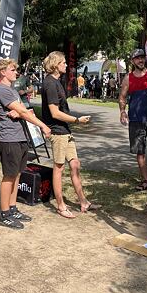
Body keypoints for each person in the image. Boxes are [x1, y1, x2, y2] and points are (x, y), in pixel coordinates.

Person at [0, 58, 51, 229]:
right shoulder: (2, 90)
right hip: (9, 139)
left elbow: (21, 111)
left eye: (16, 70)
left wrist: (19, 112)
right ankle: (4, 214)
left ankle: (12, 208)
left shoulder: (11, 90)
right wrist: (43, 126)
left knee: (17, 174)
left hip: (19, 137)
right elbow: (23, 111)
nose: (16, 73)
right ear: (3, 72)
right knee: (9, 176)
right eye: (12, 70)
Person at [41, 51, 101, 218]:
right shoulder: (50, 84)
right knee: (59, 168)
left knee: (75, 164)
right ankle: (60, 206)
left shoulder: (57, 81)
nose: (66, 65)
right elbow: (55, 113)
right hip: (57, 132)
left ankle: (84, 202)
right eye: (63, 62)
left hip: (65, 131)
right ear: (55, 64)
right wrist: (77, 120)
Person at [119, 48, 147, 191]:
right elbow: (122, 97)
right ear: (132, 61)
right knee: (140, 152)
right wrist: (122, 111)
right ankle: (146, 181)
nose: (140, 60)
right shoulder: (128, 78)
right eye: (137, 58)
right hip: (135, 120)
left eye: (142, 57)